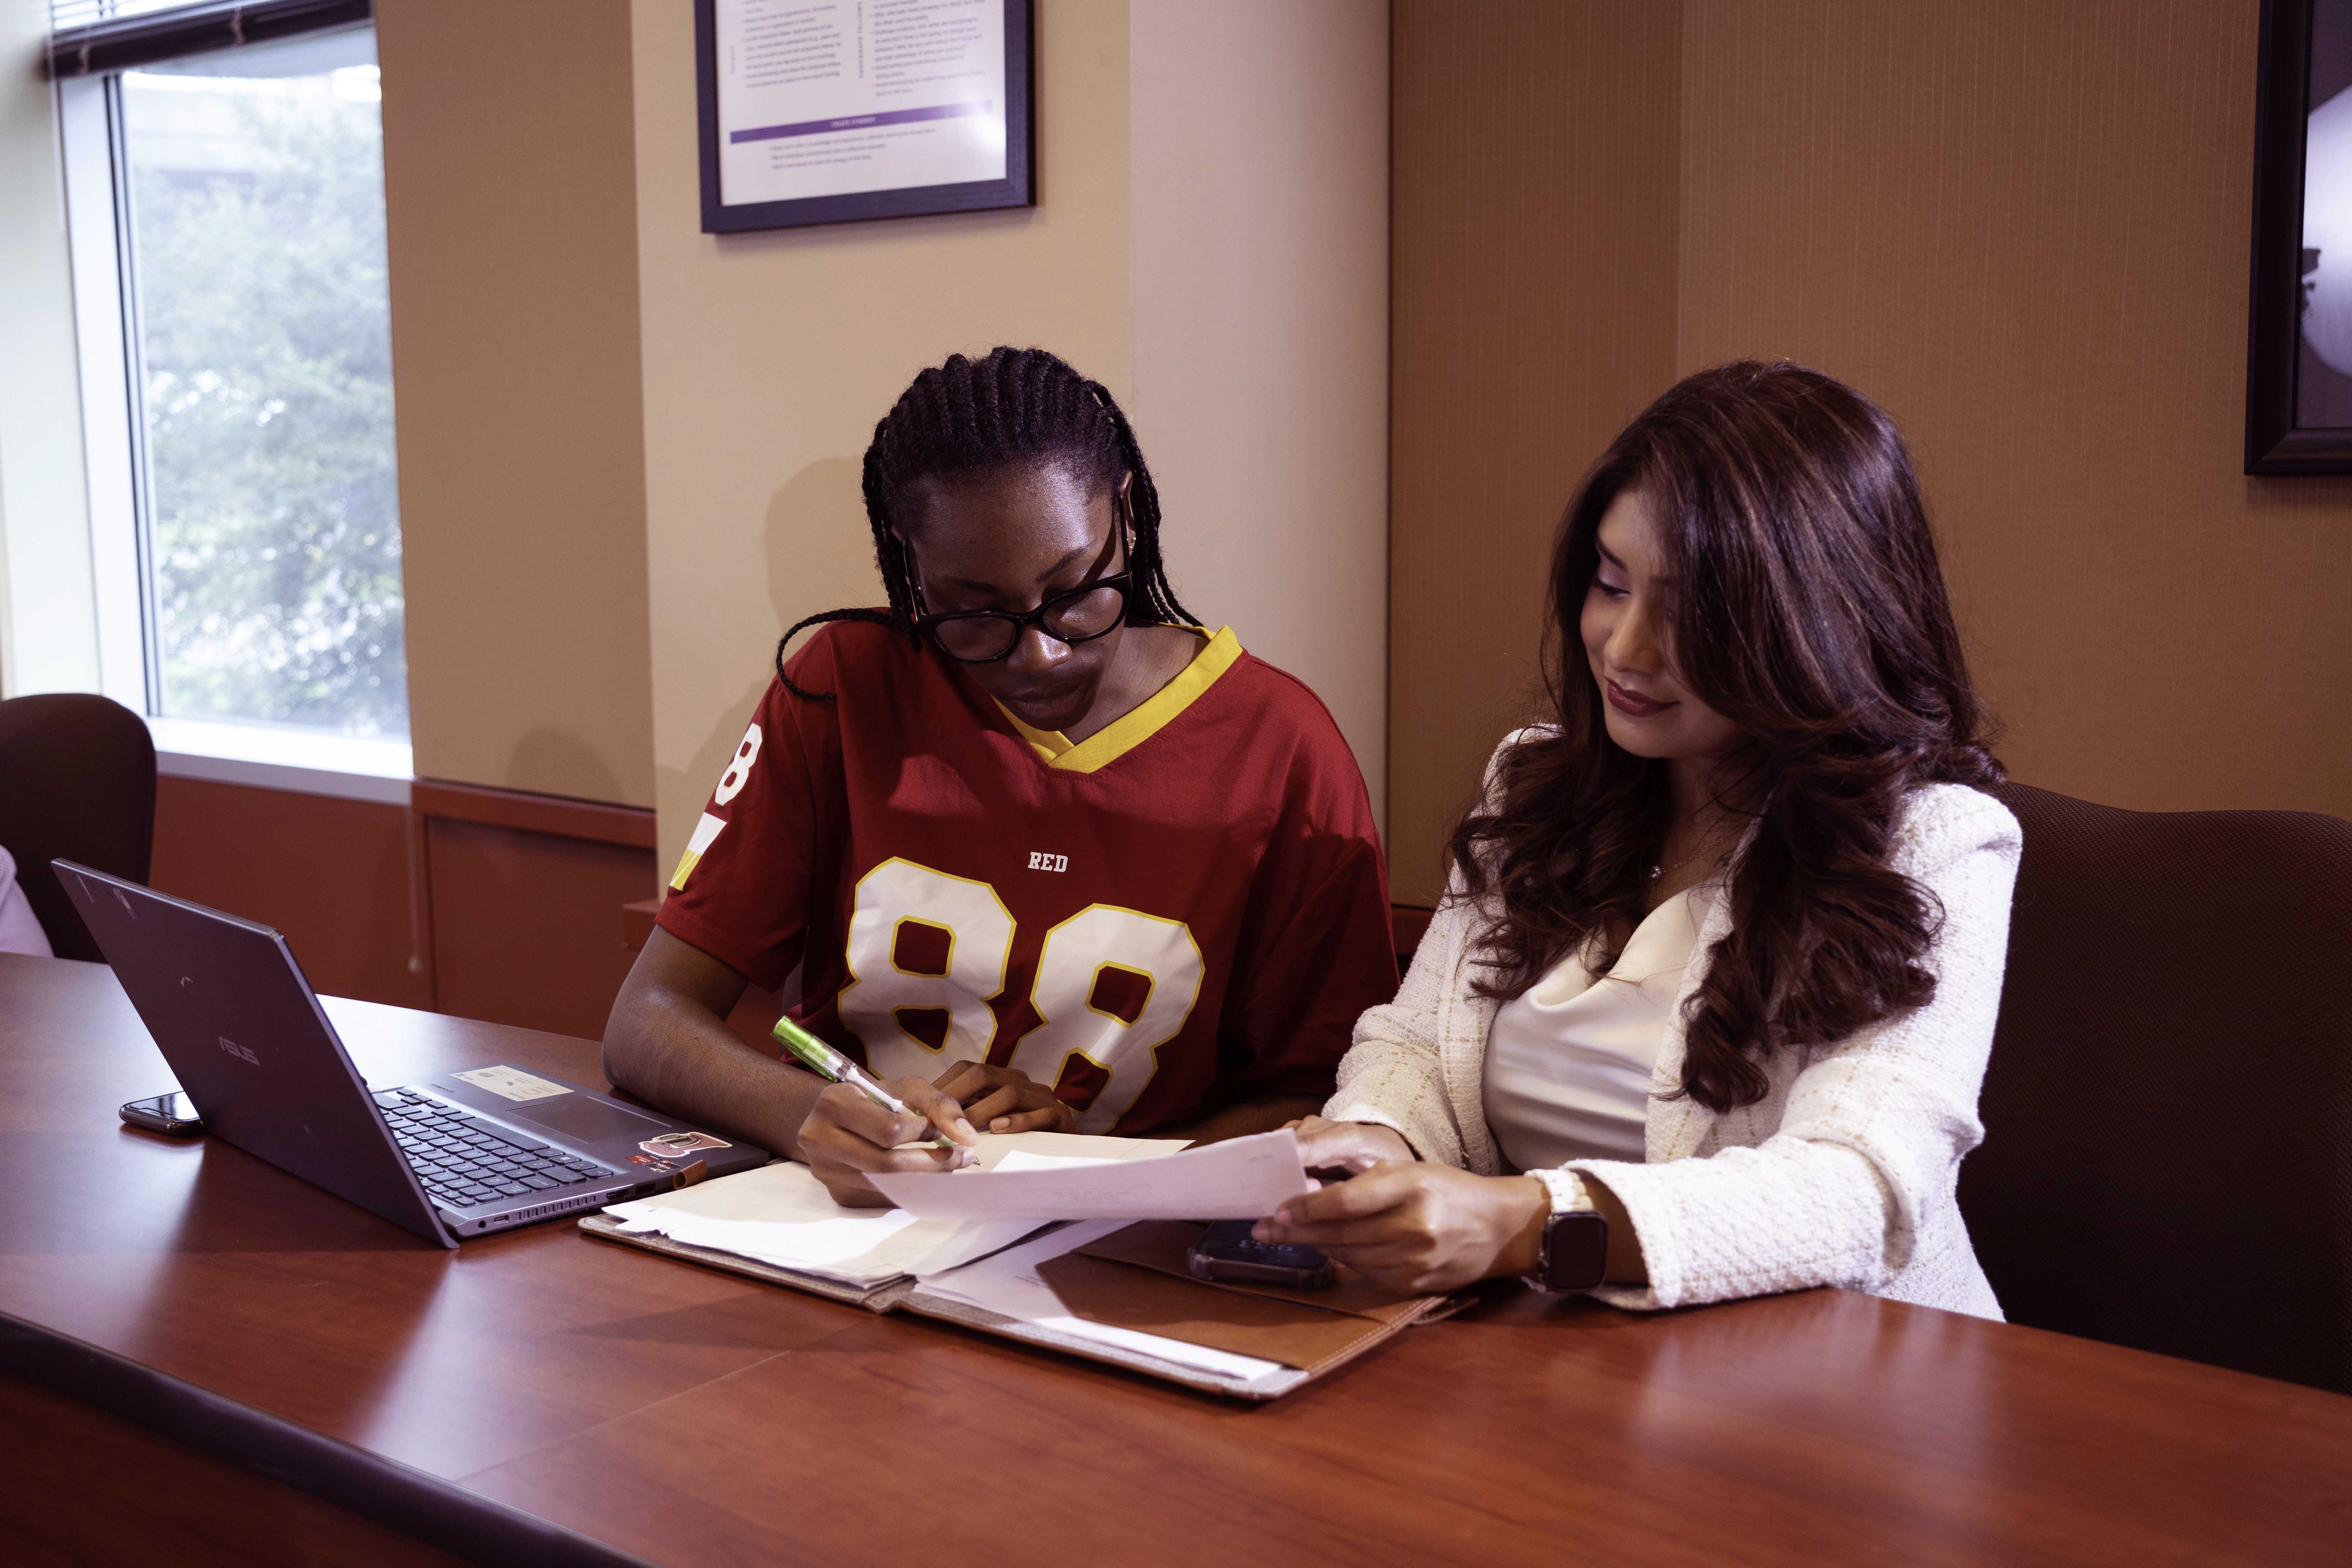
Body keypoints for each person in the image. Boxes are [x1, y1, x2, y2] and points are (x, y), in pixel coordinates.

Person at [1260, 360, 2020, 1318]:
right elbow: (1415, 1046)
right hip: (1554, 1350)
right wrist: (1382, 1140)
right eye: (1612, 585)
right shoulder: (1534, 784)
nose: (1624, 648)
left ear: (1814, 624)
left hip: (1840, 1368)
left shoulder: (1937, 844)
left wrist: (1531, 1223)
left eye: (1693, 615)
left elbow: (1858, 1189)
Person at [604, 346, 1396, 1204]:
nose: (1041, 653)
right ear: (909, 565)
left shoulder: (1281, 748)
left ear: (1127, 516)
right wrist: (811, 1116)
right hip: (840, 1226)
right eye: (976, 613)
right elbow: (646, 1021)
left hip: (1120, 1245)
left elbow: (1321, 1101)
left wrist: (1085, 1169)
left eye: (1075, 590)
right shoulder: (845, 685)